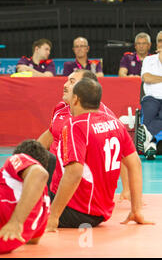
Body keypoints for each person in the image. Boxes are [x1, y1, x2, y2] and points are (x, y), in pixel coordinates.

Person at [45, 78, 153, 231]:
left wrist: (53, 217)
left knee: (24, 193)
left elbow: (74, 173)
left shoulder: (76, 124)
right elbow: (135, 164)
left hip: (75, 211)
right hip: (101, 213)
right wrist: (136, 210)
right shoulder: (116, 123)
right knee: (45, 158)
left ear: (75, 99)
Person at [38, 69, 131, 201]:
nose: (65, 85)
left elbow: (119, 153)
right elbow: (50, 135)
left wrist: (126, 189)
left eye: (71, 82)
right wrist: (28, 155)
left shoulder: (104, 117)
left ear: (85, 88)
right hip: (56, 174)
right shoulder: (60, 108)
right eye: (66, 80)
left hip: (79, 182)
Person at [136, 32, 162, 160]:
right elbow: (146, 78)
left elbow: (152, 78)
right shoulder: (149, 59)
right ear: (157, 44)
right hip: (151, 97)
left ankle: (150, 141)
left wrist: (156, 78)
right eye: (160, 41)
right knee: (149, 112)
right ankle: (151, 140)